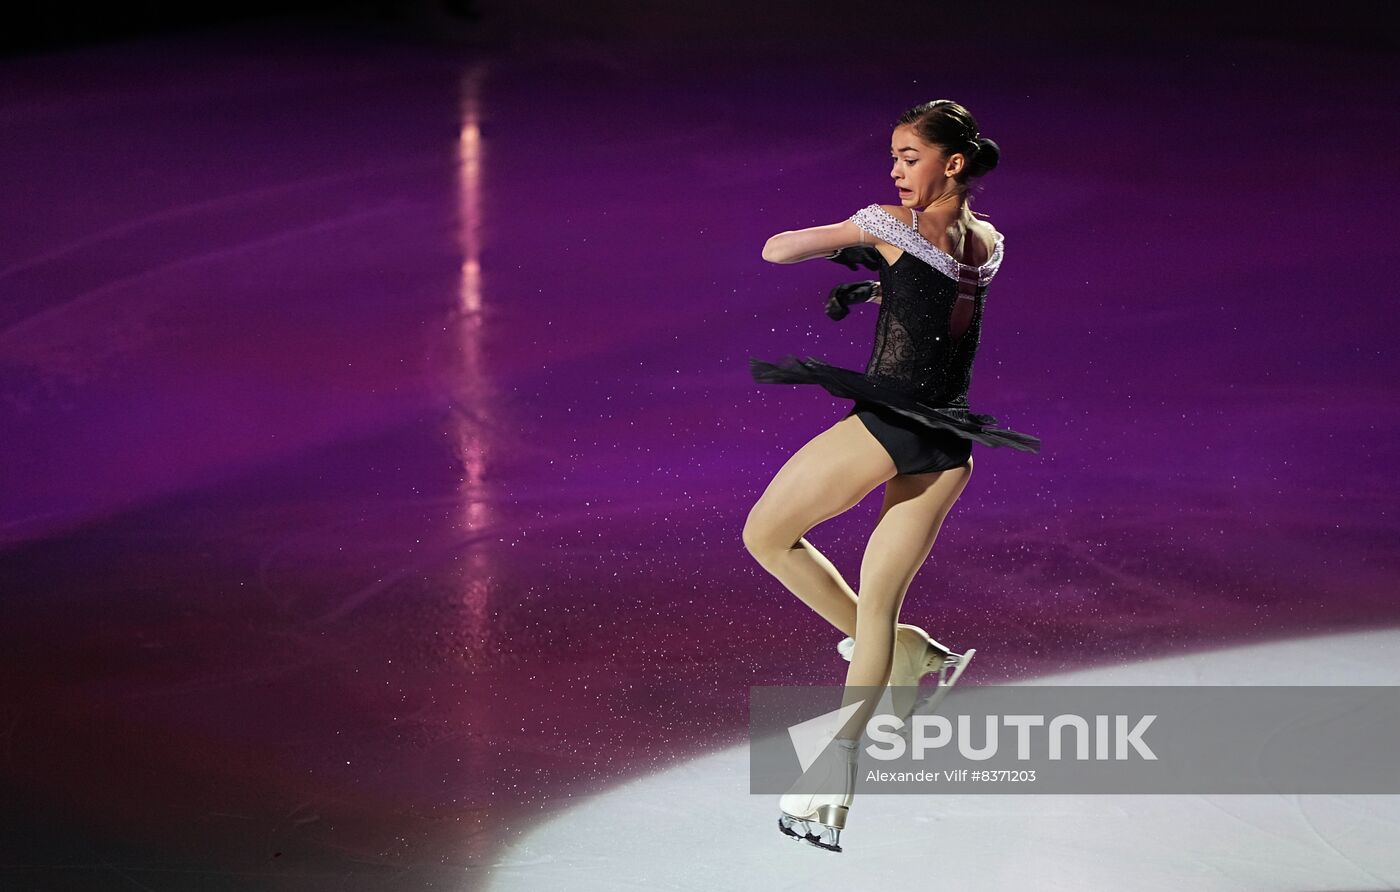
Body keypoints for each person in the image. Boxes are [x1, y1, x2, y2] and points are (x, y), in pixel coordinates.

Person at [742, 99, 1041, 853]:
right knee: (876, 617)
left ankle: (907, 653)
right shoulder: (990, 243)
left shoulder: (890, 224)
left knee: (766, 537)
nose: (896, 170)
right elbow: (950, 315)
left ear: (953, 162)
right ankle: (836, 774)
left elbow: (778, 250)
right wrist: (884, 288)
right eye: (895, 157)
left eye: (910, 155)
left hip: (888, 428)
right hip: (950, 449)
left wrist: (852, 242)